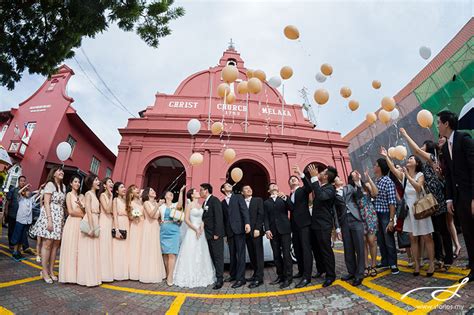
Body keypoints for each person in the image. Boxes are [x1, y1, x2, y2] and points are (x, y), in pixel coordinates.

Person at [401, 128, 453, 270]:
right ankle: (439, 258)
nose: (421, 147)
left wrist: (406, 135)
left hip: (437, 199)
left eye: (424, 145)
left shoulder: (432, 157)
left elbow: (416, 151)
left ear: (428, 147)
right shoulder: (424, 166)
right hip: (429, 201)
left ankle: (447, 258)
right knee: (435, 230)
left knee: (442, 229)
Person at [381, 148, 435, 277]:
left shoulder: (419, 175)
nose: (408, 160)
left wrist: (408, 176)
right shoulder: (403, 176)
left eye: (411, 158)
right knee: (413, 239)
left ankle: (432, 263)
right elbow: (392, 169)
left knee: (427, 237)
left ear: (416, 163)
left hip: (421, 210)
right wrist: (385, 156)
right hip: (409, 212)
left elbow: (417, 188)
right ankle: (416, 264)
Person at [437, 110, 474, 283]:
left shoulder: (464, 139)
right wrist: (449, 199)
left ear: (446, 124)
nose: (437, 125)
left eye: (439, 122)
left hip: (470, 195)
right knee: (467, 233)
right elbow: (450, 176)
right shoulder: (445, 147)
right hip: (458, 199)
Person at [174, 187, 216, 288]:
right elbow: (186, 219)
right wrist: (195, 229)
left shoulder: (201, 205)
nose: (198, 192)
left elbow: (203, 218)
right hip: (192, 231)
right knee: (191, 252)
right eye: (196, 191)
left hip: (201, 232)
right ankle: (189, 276)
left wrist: (201, 227)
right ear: (192, 195)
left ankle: (202, 275)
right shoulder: (189, 205)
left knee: (202, 252)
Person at [304, 164, 338, 288]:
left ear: (326, 177)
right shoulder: (320, 186)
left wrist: (313, 178)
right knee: (316, 249)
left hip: (324, 224)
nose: (319, 173)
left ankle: (330, 275)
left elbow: (320, 195)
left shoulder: (330, 189)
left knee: (326, 249)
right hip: (315, 223)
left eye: (322, 172)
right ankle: (321, 269)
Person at [33, 167, 66, 283]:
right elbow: (46, 203)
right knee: (47, 244)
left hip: (59, 217)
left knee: (56, 245)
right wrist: (49, 220)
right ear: (54, 174)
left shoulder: (63, 187)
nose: (61, 172)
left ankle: (51, 270)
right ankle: (44, 271)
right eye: (59, 170)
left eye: (62, 171)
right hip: (50, 215)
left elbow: (62, 205)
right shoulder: (50, 185)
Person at [335, 172, 366, 287]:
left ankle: (359, 274)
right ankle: (351, 272)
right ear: (334, 182)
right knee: (348, 248)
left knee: (359, 247)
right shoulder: (333, 194)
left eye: (339, 177)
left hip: (355, 218)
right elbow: (334, 212)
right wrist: (337, 227)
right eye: (337, 178)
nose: (339, 178)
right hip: (344, 222)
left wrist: (358, 182)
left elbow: (359, 195)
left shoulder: (350, 187)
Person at [285, 169, 313, 288]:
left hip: (304, 224)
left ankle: (307, 276)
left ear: (298, 181)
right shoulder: (290, 195)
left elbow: (309, 187)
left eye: (294, 178)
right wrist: (285, 199)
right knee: (297, 249)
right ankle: (301, 271)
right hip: (294, 225)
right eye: (291, 179)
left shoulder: (302, 190)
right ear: (289, 184)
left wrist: (301, 175)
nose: (293, 180)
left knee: (306, 250)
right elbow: (291, 208)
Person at [220, 182, 250, 289]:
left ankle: (241, 279)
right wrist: (225, 234)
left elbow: (244, 210)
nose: (229, 186)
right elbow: (223, 219)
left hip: (239, 229)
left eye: (229, 185)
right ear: (223, 190)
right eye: (226, 186)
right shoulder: (222, 202)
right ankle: (233, 275)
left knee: (240, 254)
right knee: (232, 254)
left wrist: (247, 223)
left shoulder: (238, 197)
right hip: (229, 232)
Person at [372, 158, 399, 274]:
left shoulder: (388, 181)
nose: (374, 166)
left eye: (375, 165)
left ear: (380, 168)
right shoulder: (376, 181)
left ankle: (393, 263)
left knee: (388, 239)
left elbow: (392, 202)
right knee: (381, 241)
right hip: (377, 214)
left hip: (386, 214)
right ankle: (385, 261)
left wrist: (391, 220)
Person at [264, 183, 292, 289]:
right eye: (271, 186)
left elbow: (291, 208)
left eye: (275, 185)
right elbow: (265, 217)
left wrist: (285, 198)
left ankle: (288, 278)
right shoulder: (266, 202)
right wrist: (267, 229)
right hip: (273, 231)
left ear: (278, 188)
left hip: (285, 230)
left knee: (286, 254)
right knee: (276, 255)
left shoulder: (284, 198)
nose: (274, 186)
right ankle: (280, 276)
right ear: (269, 190)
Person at [77, 175, 102, 287]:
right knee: (87, 249)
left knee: (93, 250)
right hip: (91, 220)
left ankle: (92, 277)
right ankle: (85, 278)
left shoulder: (95, 195)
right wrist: (91, 227)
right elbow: (88, 210)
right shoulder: (88, 194)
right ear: (91, 182)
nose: (99, 182)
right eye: (96, 180)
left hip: (95, 220)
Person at [59, 175, 84, 283]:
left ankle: (75, 275)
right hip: (71, 223)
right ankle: (67, 275)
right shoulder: (69, 194)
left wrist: (82, 209)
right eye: (75, 182)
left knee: (77, 249)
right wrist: (82, 214)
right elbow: (70, 211)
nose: (77, 184)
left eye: (79, 182)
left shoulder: (80, 196)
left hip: (79, 224)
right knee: (70, 247)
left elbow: (85, 211)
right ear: (71, 183)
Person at [139, 188, 166, 283]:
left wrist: (160, 220)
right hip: (148, 226)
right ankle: (147, 273)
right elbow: (150, 214)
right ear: (147, 194)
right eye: (151, 191)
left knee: (155, 249)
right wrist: (158, 205)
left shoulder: (155, 203)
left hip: (155, 226)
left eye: (154, 190)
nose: (154, 191)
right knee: (148, 249)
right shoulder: (146, 203)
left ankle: (155, 271)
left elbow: (157, 217)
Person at [159, 186, 185, 286]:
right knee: (165, 253)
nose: (171, 194)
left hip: (174, 230)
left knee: (172, 253)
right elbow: (156, 216)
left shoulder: (175, 205)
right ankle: (167, 273)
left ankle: (170, 276)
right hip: (164, 230)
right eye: (169, 193)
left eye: (172, 194)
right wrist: (159, 221)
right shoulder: (161, 206)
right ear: (165, 196)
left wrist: (181, 192)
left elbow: (180, 204)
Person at [201, 183, 225, 290]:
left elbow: (219, 217)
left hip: (215, 235)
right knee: (212, 256)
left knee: (218, 257)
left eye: (201, 190)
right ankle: (215, 276)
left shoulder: (214, 200)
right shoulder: (204, 203)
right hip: (207, 235)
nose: (200, 192)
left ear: (206, 190)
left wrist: (217, 233)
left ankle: (220, 280)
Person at [242, 184, 265, 288]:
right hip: (246, 233)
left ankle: (259, 278)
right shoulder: (241, 202)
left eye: (250, 188)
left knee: (258, 255)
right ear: (242, 193)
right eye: (246, 189)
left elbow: (261, 214)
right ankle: (255, 273)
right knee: (252, 255)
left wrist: (257, 229)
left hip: (256, 232)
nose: (249, 190)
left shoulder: (258, 200)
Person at [11, 183, 38, 261]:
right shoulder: (21, 199)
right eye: (26, 191)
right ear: (23, 193)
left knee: (22, 238)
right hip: (20, 221)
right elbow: (19, 192)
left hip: (26, 222)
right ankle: (15, 252)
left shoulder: (30, 200)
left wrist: (40, 188)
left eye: (28, 191)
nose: (28, 192)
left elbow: (37, 195)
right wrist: (25, 187)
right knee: (17, 236)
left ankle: (19, 252)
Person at [5, 176, 32, 253]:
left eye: (24, 181)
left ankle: (23, 247)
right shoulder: (14, 190)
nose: (22, 182)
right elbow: (8, 201)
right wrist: (6, 211)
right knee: (11, 230)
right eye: (21, 181)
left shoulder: (26, 191)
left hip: (21, 216)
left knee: (20, 232)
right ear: (18, 181)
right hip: (12, 213)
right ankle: (11, 244)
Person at [112, 182, 129, 280]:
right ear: (117, 190)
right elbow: (114, 215)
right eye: (122, 187)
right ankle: (116, 272)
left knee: (125, 248)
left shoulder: (126, 200)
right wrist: (117, 229)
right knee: (118, 248)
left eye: (124, 186)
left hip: (126, 222)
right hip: (119, 222)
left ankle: (123, 272)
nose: (124, 188)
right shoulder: (115, 200)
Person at [98, 177, 114, 282]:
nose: (111, 184)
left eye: (112, 182)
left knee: (108, 246)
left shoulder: (109, 196)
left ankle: (107, 272)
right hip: (104, 221)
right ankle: (100, 273)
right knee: (103, 246)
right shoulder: (103, 195)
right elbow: (107, 210)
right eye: (109, 182)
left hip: (110, 222)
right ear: (104, 185)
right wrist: (112, 196)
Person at [127, 185, 144, 281]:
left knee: (141, 248)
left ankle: (141, 270)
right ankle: (133, 272)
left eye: (137, 188)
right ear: (131, 193)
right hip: (135, 226)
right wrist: (135, 214)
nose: (137, 190)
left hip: (142, 225)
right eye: (134, 189)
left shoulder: (142, 202)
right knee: (135, 248)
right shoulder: (131, 203)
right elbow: (130, 217)